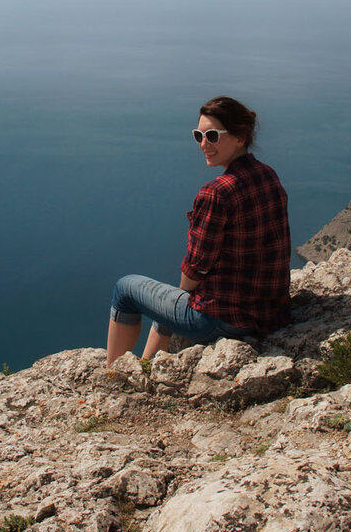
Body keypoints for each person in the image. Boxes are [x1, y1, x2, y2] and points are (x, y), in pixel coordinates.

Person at [106, 96, 290, 366]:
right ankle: (145, 367)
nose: (204, 144)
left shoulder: (216, 193)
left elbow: (195, 268)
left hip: (224, 321)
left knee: (125, 289)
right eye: (198, 136)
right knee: (168, 302)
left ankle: (112, 373)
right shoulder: (268, 175)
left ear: (240, 138)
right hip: (271, 313)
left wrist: (185, 293)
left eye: (212, 136)